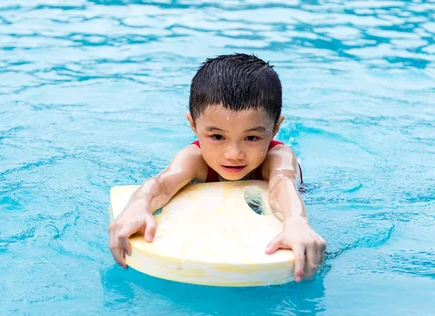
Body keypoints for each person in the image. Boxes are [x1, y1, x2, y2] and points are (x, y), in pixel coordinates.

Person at [108, 54, 326, 282]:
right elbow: (162, 184)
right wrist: (138, 204)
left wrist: (296, 221)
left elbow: (282, 184)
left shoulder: (277, 156)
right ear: (193, 125)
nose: (233, 155)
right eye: (217, 136)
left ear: (275, 129)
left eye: (251, 137)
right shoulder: (195, 158)